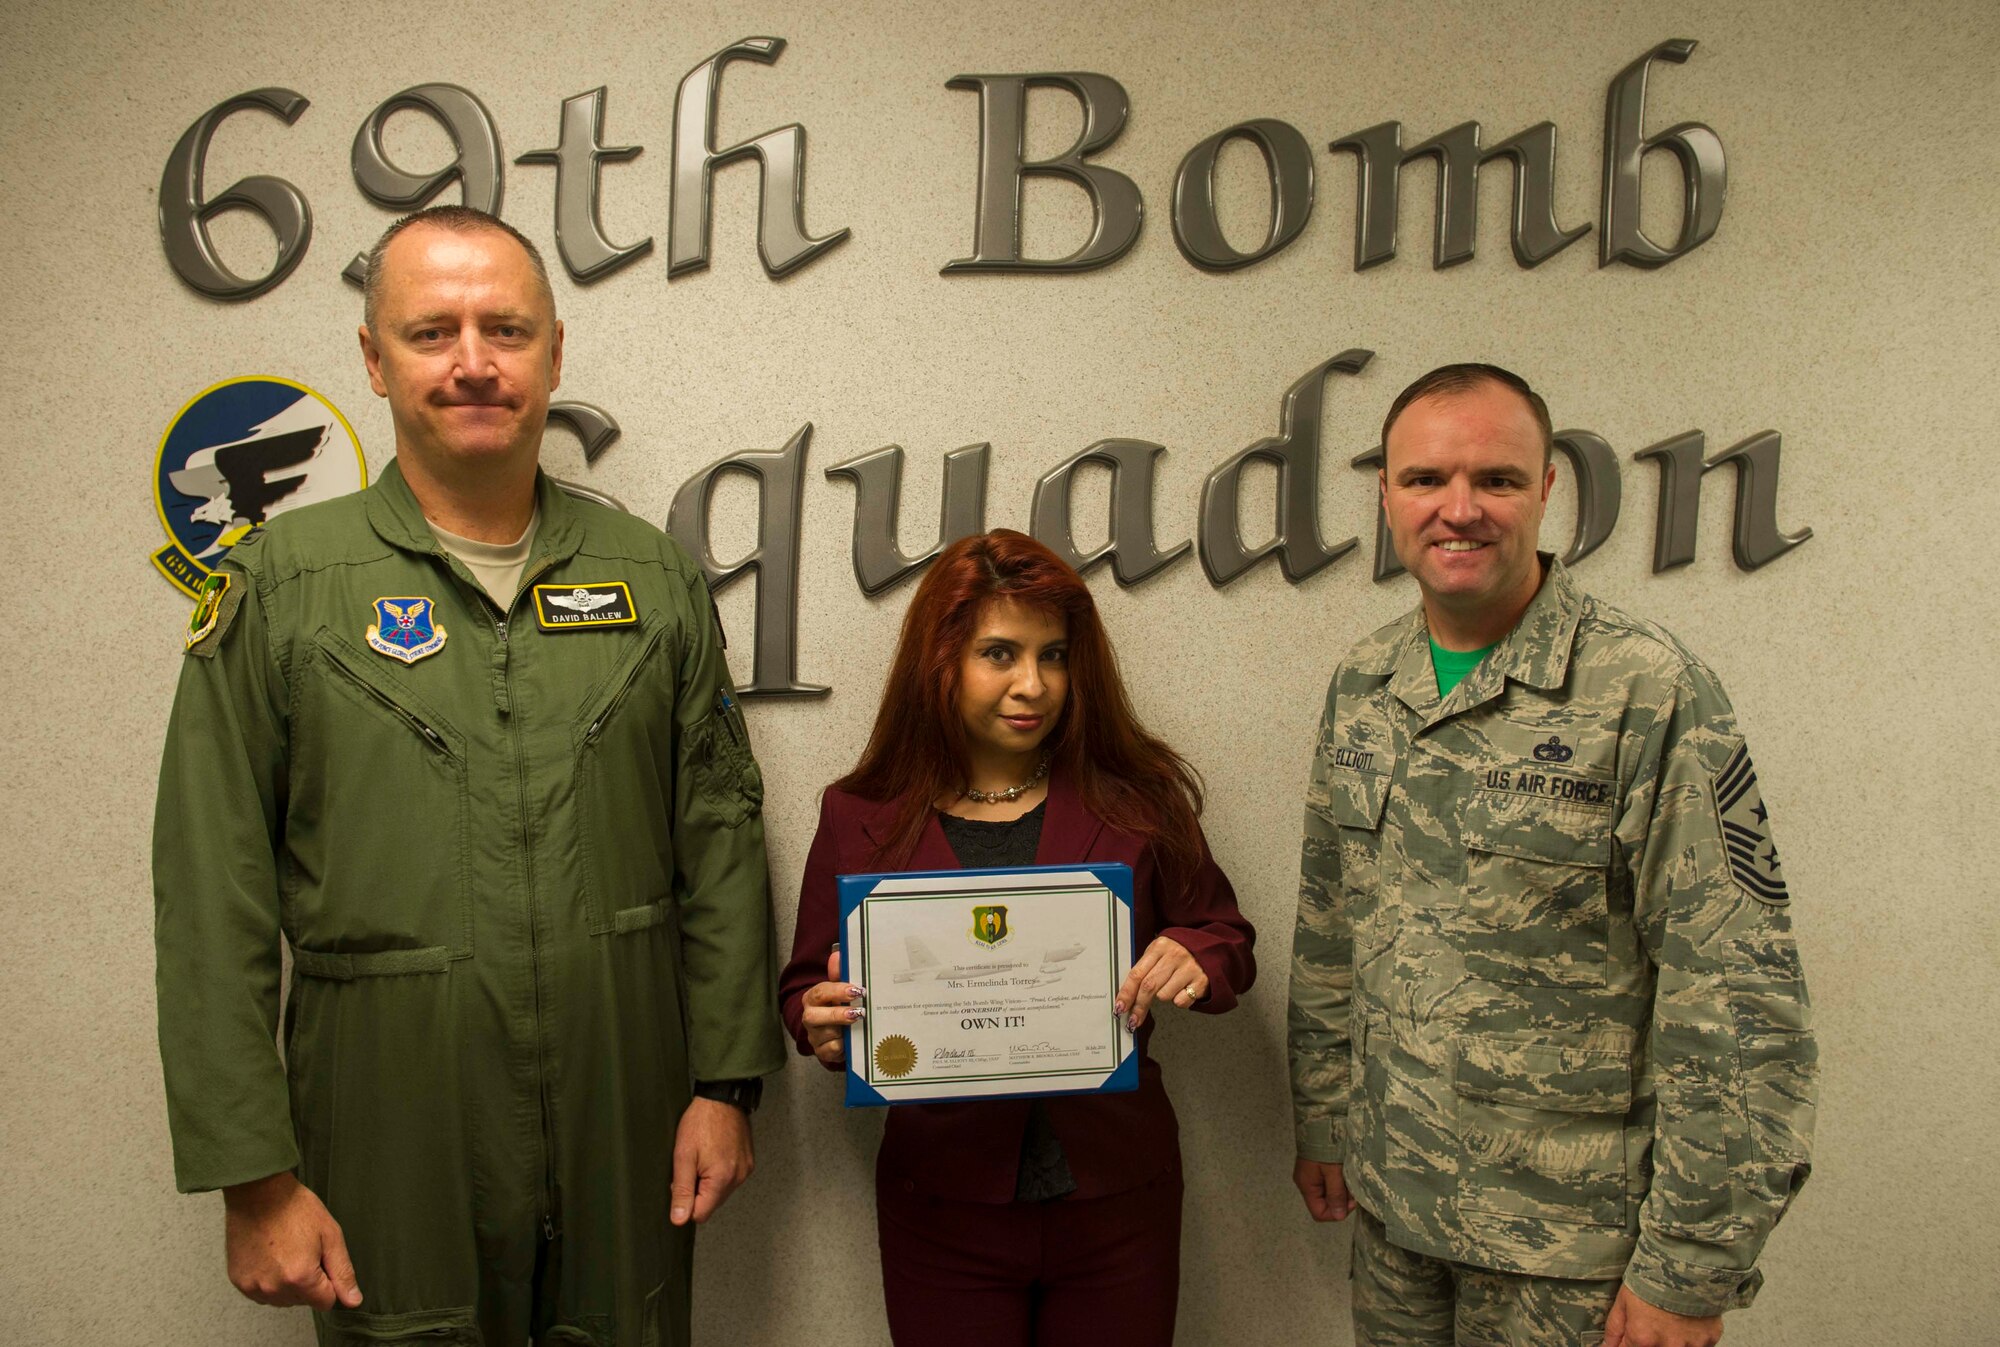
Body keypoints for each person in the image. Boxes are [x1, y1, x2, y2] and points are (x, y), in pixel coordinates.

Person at [153, 205, 784, 1345]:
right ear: (374, 359)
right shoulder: (288, 586)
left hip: (623, 1104)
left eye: (505, 328)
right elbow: (211, 889)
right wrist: (252, 1175)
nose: (474, 362)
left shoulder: (652, 579)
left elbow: (721, 835)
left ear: (554, 351)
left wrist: (726, 1084)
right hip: (385, 1119)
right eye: (432, 331)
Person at [1287, 364, 1817, 1347]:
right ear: (1385, 494)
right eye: (1425, 479)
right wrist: (1324, 1118)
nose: (1459, 509)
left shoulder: (1646, 690)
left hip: (1572, 1251)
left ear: (1545, 489)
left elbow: (1735, 993)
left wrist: (1689, 1266)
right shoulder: (1364, 682)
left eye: (1494, 479)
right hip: (1397, 1210)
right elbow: (1330, 926)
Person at [779, 530, 1255, 1347]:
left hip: (1118, 1200)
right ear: (941, 661)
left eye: (1053, 655)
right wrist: (818, 1021)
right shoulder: (859, 814)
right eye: (1000, 653)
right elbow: (802, 987)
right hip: (944, 1204)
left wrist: (1196, 957)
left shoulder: (1138, 799)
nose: (1034, 684)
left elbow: (1225, 935)